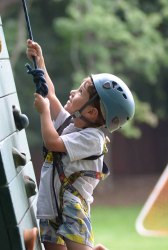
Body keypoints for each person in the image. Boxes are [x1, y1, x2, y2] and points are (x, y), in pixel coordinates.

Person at [26, 39, 135, 250]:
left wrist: (44, 112)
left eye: (80, 92)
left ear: (91, 112)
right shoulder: (71, 124)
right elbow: (51, 95)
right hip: (52, 204)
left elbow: (52, 142)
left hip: (72, 206)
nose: (73, 92)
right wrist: (40, 63)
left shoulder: (93, 139)